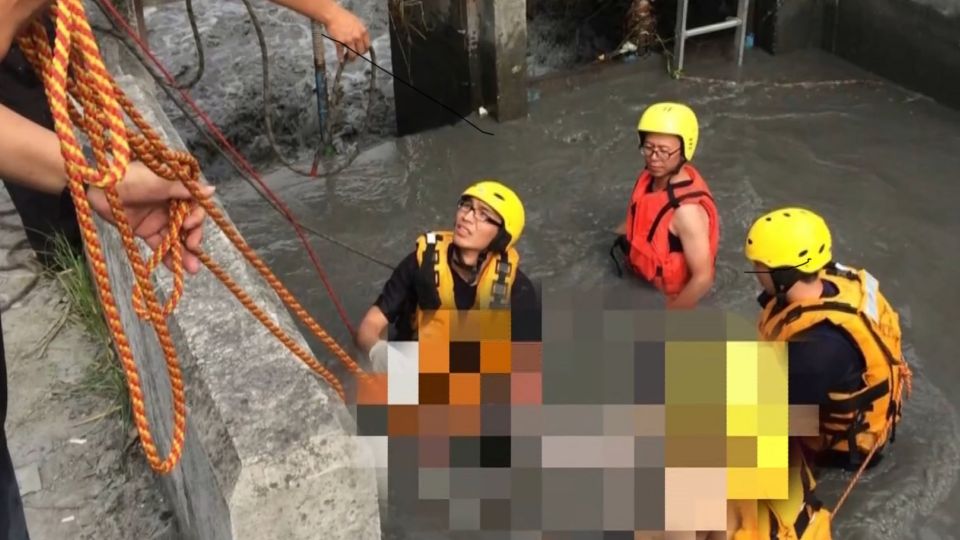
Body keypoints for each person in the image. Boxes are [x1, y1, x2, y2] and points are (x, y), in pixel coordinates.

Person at [727, 206, 914, 539]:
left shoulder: (818, 351)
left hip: (841, 449)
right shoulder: (832, 283)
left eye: (759, 266)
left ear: (784, 275)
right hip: (821, 389)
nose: (755, 271)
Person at [355, 180, 540, 369]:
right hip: (410, 364)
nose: (467, 217)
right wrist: (378, 352)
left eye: (483, 215)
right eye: (466, 206)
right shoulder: (420, 264)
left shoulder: (517, 291)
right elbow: (370, 325)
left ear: (501, 237)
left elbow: (524, 365)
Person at [610, 101, 719, 309]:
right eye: (648, 148)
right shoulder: (650, 178)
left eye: (664, 151)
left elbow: (703, 278)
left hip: (665, 295)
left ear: (684, 150)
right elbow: (641, 219)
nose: (654, 158)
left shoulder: (687, 212)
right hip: (638, 274)